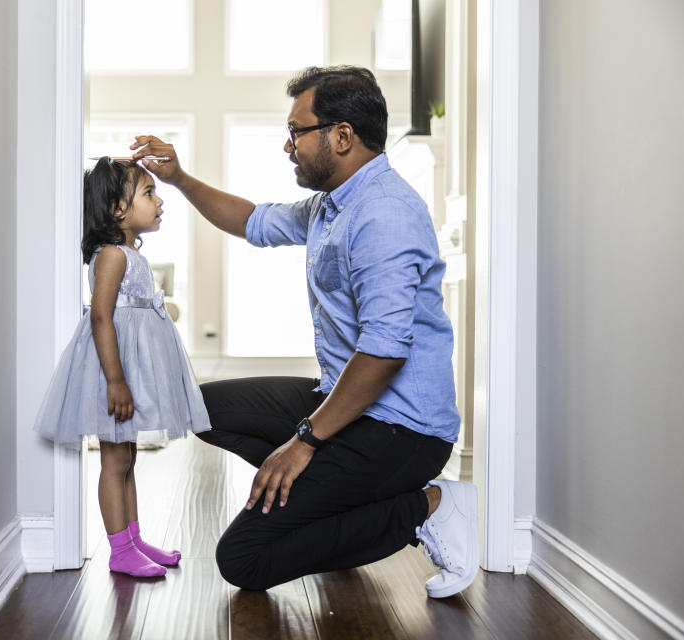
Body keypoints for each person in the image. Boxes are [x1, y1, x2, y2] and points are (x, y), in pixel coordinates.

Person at [130, 66, 479, 597]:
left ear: (341, 136)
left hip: (403, 431)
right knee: (198, 409)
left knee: (243, 560)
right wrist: (178, 178)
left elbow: (384, 353)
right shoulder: (331, 204)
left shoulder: (384, 214)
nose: (287, 145)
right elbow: (252, 220)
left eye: (297, 131)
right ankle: (336, 502)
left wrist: (304, 441)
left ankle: (426, 505)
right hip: (348, 405)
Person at [33, 157, 211, 578]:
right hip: (114, 371)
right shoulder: (111, 256)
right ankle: (119, 550)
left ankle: (133, 539)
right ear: (117, 208)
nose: (159, 200)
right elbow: (100, 317)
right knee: (114, 461)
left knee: (126, 456)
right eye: (149, 193)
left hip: (129, 367)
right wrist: (116, 381)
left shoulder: (129, 253)